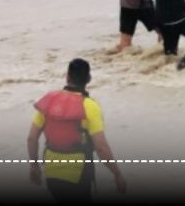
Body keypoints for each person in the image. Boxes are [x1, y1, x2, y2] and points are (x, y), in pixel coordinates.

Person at [27, 59, 127, 201]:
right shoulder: (90, 106)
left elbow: (31, 138)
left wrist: (34, 166)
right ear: (88, 79)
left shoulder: (50, 101)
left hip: (51, 171)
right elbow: (101, 147)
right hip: (78, 174)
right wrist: (117, 174)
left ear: (67, 76)